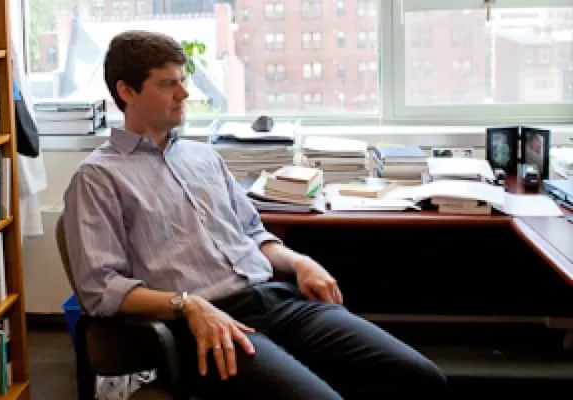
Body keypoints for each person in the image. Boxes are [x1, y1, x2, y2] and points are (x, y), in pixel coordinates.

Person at [62, 30, 447, 399]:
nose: (184, 93)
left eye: (183, 80)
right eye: (167, 84)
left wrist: (299, 262)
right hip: (204, 324)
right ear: (126, 91)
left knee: (420, 379)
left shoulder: (204, 157)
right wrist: (188, 304)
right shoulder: (98, 177)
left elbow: (253, 233)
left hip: (276, 300)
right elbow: (100, 288)